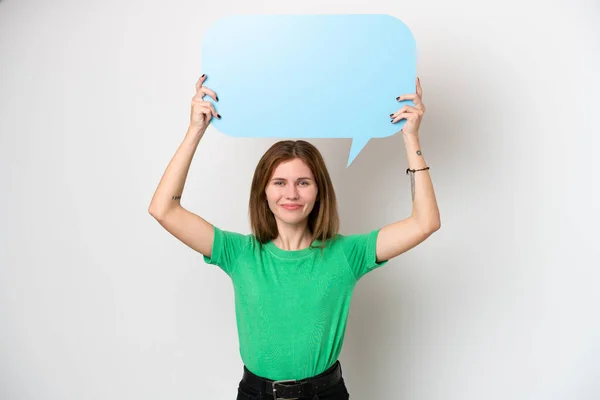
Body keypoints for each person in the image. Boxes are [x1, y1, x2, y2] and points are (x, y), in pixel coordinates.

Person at [148, 74, 440, 400]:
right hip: (255, 394)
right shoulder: (239, 253)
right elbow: (164, 209)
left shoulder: (346, 254)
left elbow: (424, 222)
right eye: (279, 182)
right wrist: (195, 131)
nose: (291, 194)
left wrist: (411, 139)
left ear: (319, 191)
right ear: (263, 191)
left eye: (303, 182)